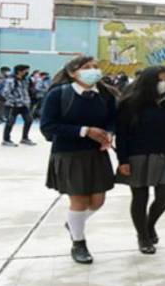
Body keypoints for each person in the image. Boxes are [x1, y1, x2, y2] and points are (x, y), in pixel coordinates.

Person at [39, 56, 119, 265]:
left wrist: (109, 133)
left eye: (95, 67)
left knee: (98, 200)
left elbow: (112, 119)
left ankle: (74, 224)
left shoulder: (105, 95)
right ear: (73, 73)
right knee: (80, 199)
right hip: (69, 154)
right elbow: (48, 126)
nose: (93, 70)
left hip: (97, 153)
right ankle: (79, 242)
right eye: (86, 68)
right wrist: (85, 131)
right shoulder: (58, 94)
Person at [115, 66, 165, 255]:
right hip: (137, 156)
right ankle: (142, 236)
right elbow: (122, 135)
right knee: (140, 197)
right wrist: (123, 160)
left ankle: (149, 224)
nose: (164, 84)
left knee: (164, 197)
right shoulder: (130, 103)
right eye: (160, 80)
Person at [0, 64, 37, 147]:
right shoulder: (11, 80)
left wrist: (27, 101)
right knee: (10, 122)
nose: (27, 72)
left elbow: (25, 91)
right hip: (13, 105)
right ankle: (6, 139)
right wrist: (14, 100)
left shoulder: (25, 80)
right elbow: (5, 93)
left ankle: (24, 138)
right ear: (20, 71)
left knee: (29, 120)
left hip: (23, 105)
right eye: (26, 70)